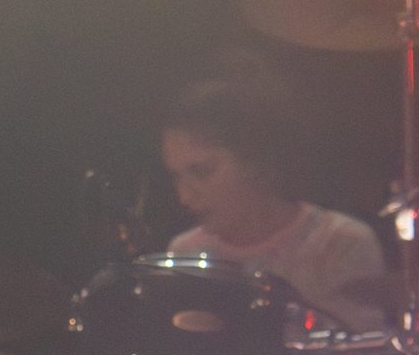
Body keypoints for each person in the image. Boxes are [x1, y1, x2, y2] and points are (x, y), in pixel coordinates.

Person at [161, 68, 387, 330]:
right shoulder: (185, 253)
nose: (184, 195)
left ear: (254, 160)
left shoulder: (339, 242)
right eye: (176, 176)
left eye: (202, 172)